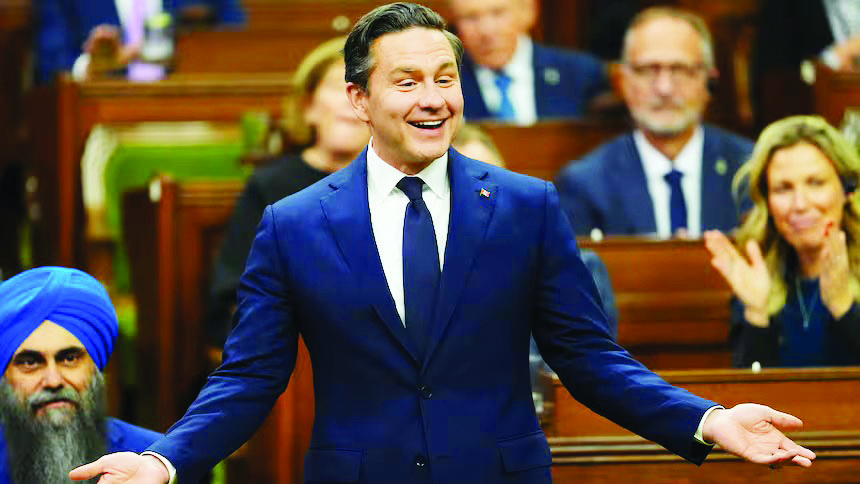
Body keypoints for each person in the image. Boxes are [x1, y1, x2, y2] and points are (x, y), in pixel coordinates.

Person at [71, 4, 815, 483]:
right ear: (359, 99)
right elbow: (247, 379)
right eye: (407, 82)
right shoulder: (293, 223)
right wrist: (163, 461)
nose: (433, 99)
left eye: (445, 78)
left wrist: (708, 419)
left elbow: (591, 361)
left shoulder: (526, 206)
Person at [206, 36, 370, 348]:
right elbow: (233, 296)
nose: (350, 99)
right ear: (308, 107)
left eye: (364, 88)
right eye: (338, 86)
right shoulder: (269, 186)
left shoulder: (402, 182)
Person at [554, 7, 753, 239]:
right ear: (623, 81)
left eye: (680, 69)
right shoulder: (585, 184)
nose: (664, 88)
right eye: (648, 70)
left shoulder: (752, 170)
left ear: (709, 81)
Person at [704, 115, 860, 368]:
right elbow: (749, 386)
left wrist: (844, 308)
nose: (800, 204)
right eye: (783, 189)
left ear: (847, 190)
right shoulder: (757, 276)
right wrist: (756, 315)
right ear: (767, 201)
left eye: (815, 183)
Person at [0, 266, 161, 484]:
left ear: (96, 367)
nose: (53, 381)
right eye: (30, 363)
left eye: (69, 359)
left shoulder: (155, 461)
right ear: (5, 376)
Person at [448, 0, 608, 124]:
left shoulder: (580, 73)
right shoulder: (447, 83)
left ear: (527, 11)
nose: (486, 31)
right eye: (470, 17)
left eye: (498, 13)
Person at [34, 0, 245, 83]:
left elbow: (237, 35)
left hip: (188, 105)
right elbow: (49, 63)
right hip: (103, 111)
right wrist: (91, 67)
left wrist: (189, 54)